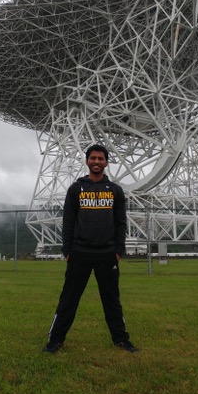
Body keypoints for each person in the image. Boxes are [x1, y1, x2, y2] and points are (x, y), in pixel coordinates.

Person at [43, 144, 138, 354]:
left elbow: (121, 222)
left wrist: (118, 249)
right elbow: (68, 221)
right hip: (79, 252)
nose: (96, 162)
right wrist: (67, 250)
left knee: (112, 301)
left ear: (106, 162)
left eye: (100, 159)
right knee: (68, 300)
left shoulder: (115, 190)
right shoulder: (76, 189)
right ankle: (55, 340)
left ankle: (121, 339)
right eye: (93, 158)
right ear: (87, 161)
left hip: (107, 253)